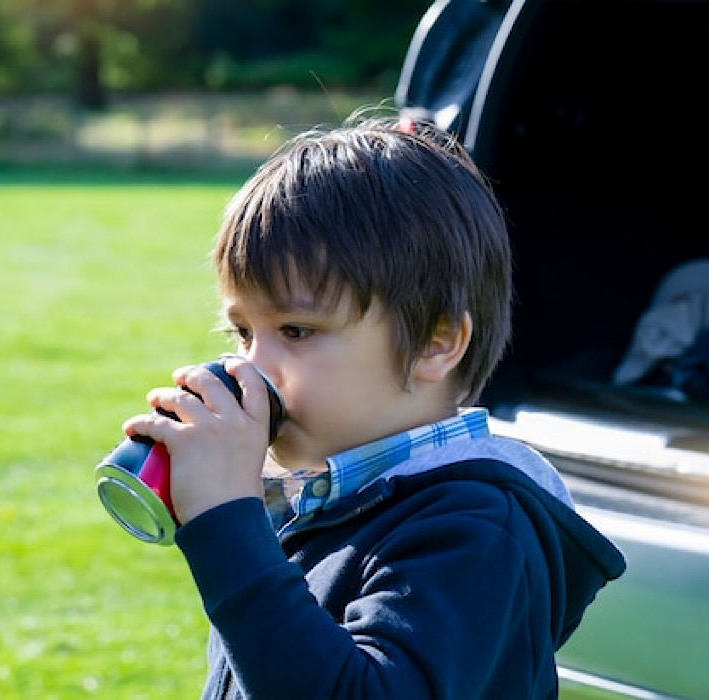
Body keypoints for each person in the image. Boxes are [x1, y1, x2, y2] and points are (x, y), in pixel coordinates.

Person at [122, 111, 626, 699]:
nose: (251, 368)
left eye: (297, 330)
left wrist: (227, 527)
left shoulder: (475, 529)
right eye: (241, 334)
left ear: (435, 343)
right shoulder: (323, 501)